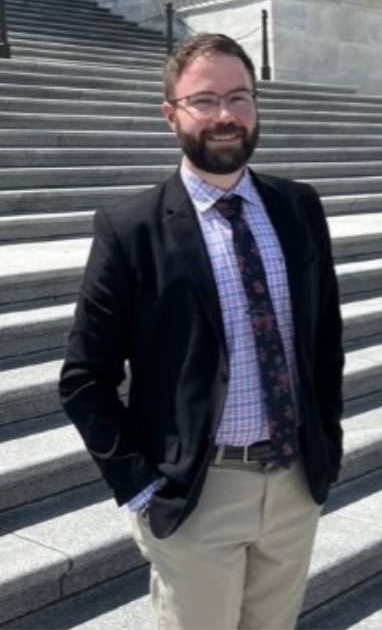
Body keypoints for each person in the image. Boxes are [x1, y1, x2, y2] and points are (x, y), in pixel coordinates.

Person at [59, 32, 344, 630]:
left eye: (239, 97)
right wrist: (141, 491)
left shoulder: (298, 208)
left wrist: (328, 449)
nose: (225, 116)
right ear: (171, 115)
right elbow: (85, 380)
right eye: (204, 100)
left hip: (293, 485)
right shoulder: (130, 229)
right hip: (197, 493)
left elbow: (324, 344)